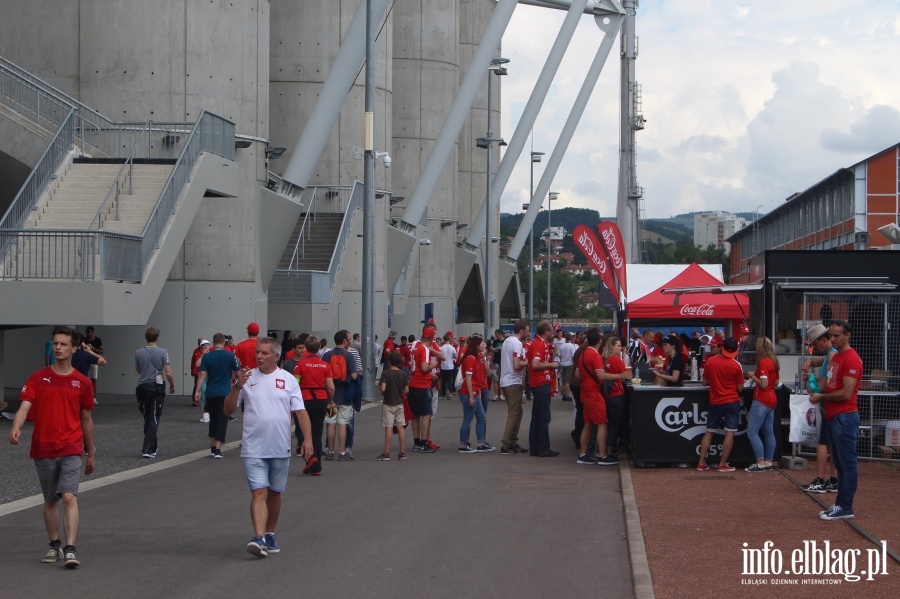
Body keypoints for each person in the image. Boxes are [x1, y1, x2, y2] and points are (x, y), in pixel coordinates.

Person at [9, 325, 95, 569]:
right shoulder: (38, 378)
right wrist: (16, 426)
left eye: (63, 344)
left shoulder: (82, 382)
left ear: (74, 348)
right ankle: (54, 544)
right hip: (44, 448)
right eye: (55, 343)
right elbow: (24, 406)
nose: (58, 347)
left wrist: (92, 452)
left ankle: (70, 549)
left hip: (71, 446)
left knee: (68, 495)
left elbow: (86, 419)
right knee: (50, 500)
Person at [224, 336, 313, 558]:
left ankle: (270, 533)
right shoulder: (247, 379)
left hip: (280, 445)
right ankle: (259, 537)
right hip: (253, 446)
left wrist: (307, 440)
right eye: (257, 353)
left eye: (264, 353)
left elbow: (300, 412)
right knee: (259, 492)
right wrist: (237, 387)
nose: (259, 356)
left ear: (276, 356)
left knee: (275, 493)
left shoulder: (288, 379)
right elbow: (227, 410)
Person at [810, 320, 862, 520]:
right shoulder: (838, 357)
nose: (833, 339)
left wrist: (820, 396)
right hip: (836, 415)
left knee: (846, 463)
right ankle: (842, 504)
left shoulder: (850, 358)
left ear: (847, 335)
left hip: (843, 415)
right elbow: (831, 385)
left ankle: (845, 505)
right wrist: (817, 388)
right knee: (841, 463)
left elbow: (846, 393)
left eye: (837, 335)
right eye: (831, 335)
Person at [799, 323, 839, 493]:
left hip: (829, 405)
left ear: (824, 340)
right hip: (829, 405)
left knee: (822, 444)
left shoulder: (832, 355)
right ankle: (833, 479)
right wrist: (810, 362)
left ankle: (821, 479)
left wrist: (811, 380)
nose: (815, 347)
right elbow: (818, 361)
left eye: (816, 344)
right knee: (831, 444)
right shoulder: (831, 354)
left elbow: (826, 384)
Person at [698, 337, 745, 472]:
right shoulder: (736, 365)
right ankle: (722, 463)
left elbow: (704, 382)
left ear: (721, 348)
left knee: (709, 431)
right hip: (731, 401)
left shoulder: (710, 362)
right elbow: (740, 388)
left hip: (715, 401)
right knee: (730, 432)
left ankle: (701, 462)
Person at [195, 333, 240, 458]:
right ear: (224, 343)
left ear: (213, 344)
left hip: (211, 392)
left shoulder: (207, 357)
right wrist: (238, 386)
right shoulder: (230, 356)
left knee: (213, 418)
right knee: (222, 418)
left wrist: (197, 391)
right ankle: (218, 448)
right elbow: (237, 373)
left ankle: (213, 445)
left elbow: (202, 374)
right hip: (225, 392)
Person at [293, 336, 334, 475]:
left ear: (306, 348)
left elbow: (295, 384)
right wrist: (329, 400)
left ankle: (311, 459)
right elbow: (331, 387)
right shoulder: (325, 365)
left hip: (305, 400)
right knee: (317, 431)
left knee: (302, 431)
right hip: (321, 399)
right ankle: (317, 466)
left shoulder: (301, 365)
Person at [134, 327, 176, 459]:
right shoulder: (163, 352)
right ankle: (147, 448)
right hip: (157, 387)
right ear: (157, 338)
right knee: (154, 416)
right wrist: (172, 384)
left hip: (142, 387)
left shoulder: (138, 352)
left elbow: (138, 370)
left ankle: (153, 446)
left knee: (148, 416)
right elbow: (168, 372)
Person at [744, 336, 780, 472]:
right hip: (772, 399)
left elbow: (763, 384)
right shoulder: (774, 361)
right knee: (768, 433)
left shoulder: (764, 362)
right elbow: (775, 382)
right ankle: (768, 461)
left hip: (762, 399)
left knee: (752, 431)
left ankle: (760, 462)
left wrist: (752, 376)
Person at [321, 330, 358, 461]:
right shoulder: (349, 356)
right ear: (344, 341)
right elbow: (354, 375)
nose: (349, 340)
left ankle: (330, 451)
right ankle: (341, 452)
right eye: (348, 338)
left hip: (331, 397)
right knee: (343, 423)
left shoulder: (326, 355)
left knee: (331, 423)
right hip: (345, 396)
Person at [408, 324, 444, 453]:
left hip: (413, 383)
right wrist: (432, 365)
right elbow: (424, 367)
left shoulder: (415, 347)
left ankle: (417, 442)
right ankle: (423, 442)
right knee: (427, 414)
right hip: (422, 384)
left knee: (416, 415)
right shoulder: (424, 349)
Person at [527, 320, 559, 457]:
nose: (553, 333)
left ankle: (536, 446)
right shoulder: (539, 344)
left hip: (540, 383)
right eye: (551, 330)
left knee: (538, 416)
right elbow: (535, 364)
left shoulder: (541, 343)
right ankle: (542, 447)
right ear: (546, 331)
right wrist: (551, 365)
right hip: (540, 383)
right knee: (543, 416)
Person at [499, 320, 529, 455]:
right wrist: (529, 360)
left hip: (506, 380)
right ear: (521, 330)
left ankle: (512, 442)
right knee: (514, 413)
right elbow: (517, 365)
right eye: (527, 330)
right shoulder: (517, 344)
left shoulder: (507, 341)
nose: (528, 333)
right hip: (512, 381)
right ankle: (506, 443)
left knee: (517, 413)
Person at [458, 335, 491, 453]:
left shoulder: (474, 357)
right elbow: (468, 378)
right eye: (481, 343)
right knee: (468, 418)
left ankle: (480, 443)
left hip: (473, 392)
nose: (483, 345)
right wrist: (472, 395)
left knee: (480, 417)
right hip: (469, 393)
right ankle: (463, 444)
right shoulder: (471, 358)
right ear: (477, 346)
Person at [600, 335, 631, 460]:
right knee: (615, 423)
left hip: (609, 394)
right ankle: (611, 449)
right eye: (618, 346)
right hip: (616, 394)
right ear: (612, 346)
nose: (620, 348)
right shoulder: (615, 359)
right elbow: (625, 373)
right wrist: (623, 356)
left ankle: (608, 447)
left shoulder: (605, 359)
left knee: (610, 422)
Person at [378, 351, 409, 460]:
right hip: (399, 403)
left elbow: (383, 388)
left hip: (388, 403)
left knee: (389, 427)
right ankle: (402, 452)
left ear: (390, 361)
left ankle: (386, 452)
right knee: (401, 427)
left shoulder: (386, 373)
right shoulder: (403, 374)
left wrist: (382, 392)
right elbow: (406, 390)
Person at [83, 326, 104, 397]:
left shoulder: (97, 340)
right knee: (83, 377)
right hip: (85, 360)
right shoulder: (84, 340)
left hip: (94, 360)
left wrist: (94, 349)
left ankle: (93, 397)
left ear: (92, 332)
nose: (87, 333)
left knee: (93, 379)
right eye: (86, 332)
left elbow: (102, 351)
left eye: (89, 332)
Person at [557, 332, 576, 401]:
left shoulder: (561, 346)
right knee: (568, 380)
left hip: (563, 364)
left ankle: (564, 393)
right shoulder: (571, 346)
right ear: (570, 338)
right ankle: (567, 394)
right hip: (569, 364)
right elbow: (573, 356)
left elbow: (559, 355)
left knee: (564, 380)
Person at [439, 334, 458, 399]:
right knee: (449, 380)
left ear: (444, 340)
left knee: (443, 381)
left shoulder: (441, 348)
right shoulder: (452, 348)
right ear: (449, 340)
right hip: (450, 366)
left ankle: (444, 394)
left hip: (443, 366)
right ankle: (448, 390)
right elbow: (455, 357)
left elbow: (439, 357)